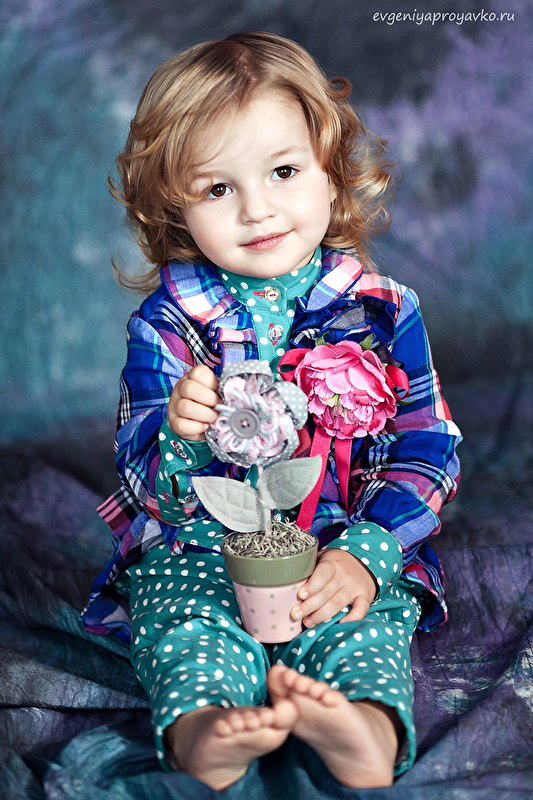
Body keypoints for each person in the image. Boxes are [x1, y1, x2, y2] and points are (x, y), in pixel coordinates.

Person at [81, 30, 461, 791]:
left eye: (283, 172)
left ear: (331, 175)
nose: (257, 210)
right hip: (205, 552)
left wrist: (367, 553)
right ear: (175, 209)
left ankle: (364, 727)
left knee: (364, 630)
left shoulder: (383, 310)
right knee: (184, 625)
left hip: (338, 548)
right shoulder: (168, 322)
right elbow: (142, 481)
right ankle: (204, 727)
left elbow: (427, 448)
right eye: (217, 189)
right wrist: (178, 434)